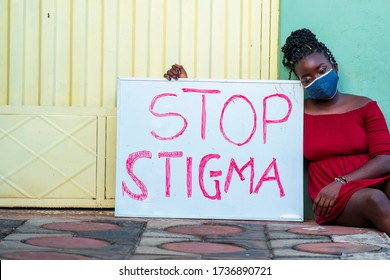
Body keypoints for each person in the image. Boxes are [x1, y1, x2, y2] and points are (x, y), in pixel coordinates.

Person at [164, 28, 390, 235]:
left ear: (334, 67)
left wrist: (343, 180)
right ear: (300, 82)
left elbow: (385, 158)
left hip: (359, 180)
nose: (317, 80)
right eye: (307, 78)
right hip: (331, 197)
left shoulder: (366, 106)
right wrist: (187, 88)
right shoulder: (292, 113)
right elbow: (235, 129)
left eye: (322, 70)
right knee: (376, 200)